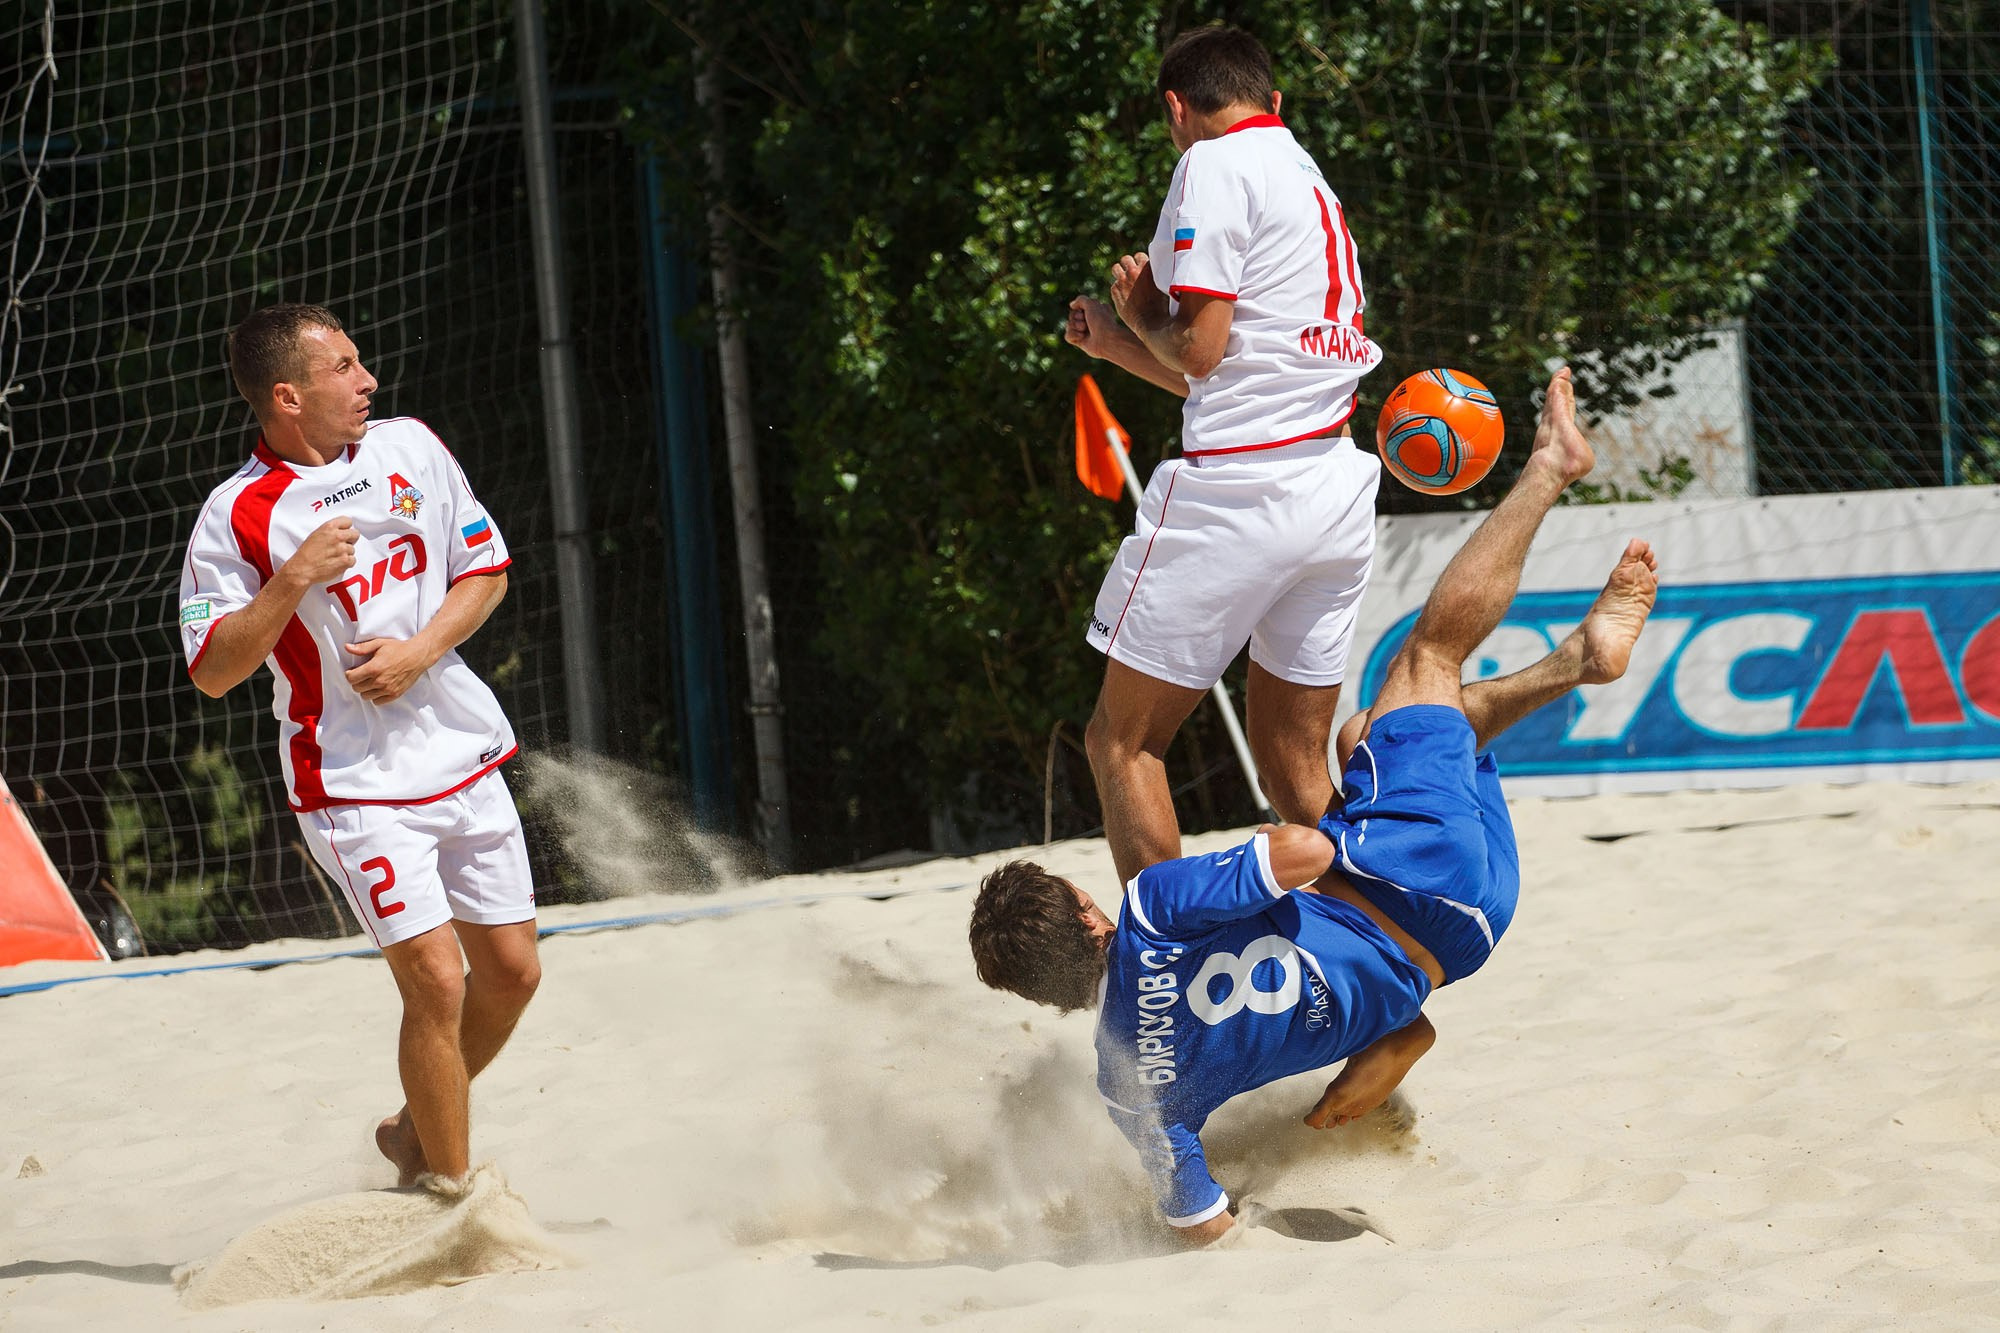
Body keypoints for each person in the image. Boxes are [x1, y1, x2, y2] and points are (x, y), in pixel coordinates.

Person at [969, 369, 1659, 1244]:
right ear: (1086, 911)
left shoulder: (1125, 1088)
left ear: (1043, 993)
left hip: (1469, 937)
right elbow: (1304, 851)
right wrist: (1264, 867)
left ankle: (1578, 661)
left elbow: (1200, 1223)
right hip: (1413, 878)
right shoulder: (1152, 909)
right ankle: (1552, 467)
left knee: (1368, 735)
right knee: (1425, 664)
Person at [177, 303, 538, 1187]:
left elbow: (486, 570)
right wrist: (292, 576)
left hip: (460, 751)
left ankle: (414, 1133)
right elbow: (212, 670)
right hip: (351, 782)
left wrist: (418, 651)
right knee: (437, 981)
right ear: (287, 396)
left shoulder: (410, 446)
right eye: (343, 367)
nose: (367, 379)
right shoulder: (236, 514)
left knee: (513, 974)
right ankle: (454, 1199)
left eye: (359, 362)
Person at [1065, 24, 1386, 887]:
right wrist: (1120, 345)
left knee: (1122, 742)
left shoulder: (1211, 163)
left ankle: (1166, 966)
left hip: (1245, 494)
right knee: (1293, 769)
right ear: (1274, 100)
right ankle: (1388, 931)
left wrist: (1141, 314)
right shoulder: (1309, 178)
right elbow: (1230, 379)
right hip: (1334, 486)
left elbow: (1199, 352)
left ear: (1177, 108)